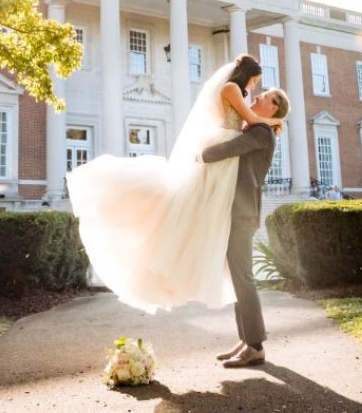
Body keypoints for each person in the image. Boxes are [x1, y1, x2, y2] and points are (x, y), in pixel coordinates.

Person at [65, 54, 285, 314]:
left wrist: (271, 122)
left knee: (223, 249)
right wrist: (276, 121)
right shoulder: (232, 88)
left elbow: (250, 124)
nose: (254, 89)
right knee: (184, 204)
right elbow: (250, 118)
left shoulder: (248, 110)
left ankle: (249, 341)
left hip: (229, 166)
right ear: (246, 74)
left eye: (260, 89)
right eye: (255, 82)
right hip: (222, 148)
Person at [201, 87, 290, 367]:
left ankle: (255, 347)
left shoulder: (261, 133)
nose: (258, 96)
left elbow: (229, 150)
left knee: (244, 277)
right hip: (237, 211)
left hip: (242, 213)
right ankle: (246, 340)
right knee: (240, 277)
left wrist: (200, 155)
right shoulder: (260, 128)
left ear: (273, 107)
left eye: (265, 97)